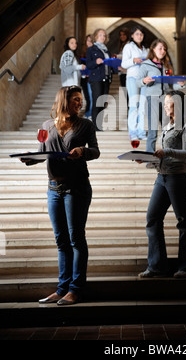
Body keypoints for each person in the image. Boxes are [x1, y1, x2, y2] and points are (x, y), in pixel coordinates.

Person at [20, 86, 100, 304]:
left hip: (76, 188)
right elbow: (40, 153)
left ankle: (75, 289)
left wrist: (83, 152)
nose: (79, 103)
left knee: (75, 238)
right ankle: (62, 288)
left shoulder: (85, 124)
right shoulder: (46, 126)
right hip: (53, 190)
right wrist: (29, 158)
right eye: (75, 99)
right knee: (61, 240)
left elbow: (96, 150)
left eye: (80, 99)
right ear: (64, 100)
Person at [138, 90, 186, 278]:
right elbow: (164, 153)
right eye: (164, 103)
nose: (165, 106)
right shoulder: (168, 123)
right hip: (162, 177)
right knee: (153, 218)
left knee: (184, 221)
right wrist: (147, 158)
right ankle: (157, 266)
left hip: (178, 178)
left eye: (169, 103)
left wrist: (166, 151)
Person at [136, 39, 185, 153]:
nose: (163, 51)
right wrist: (144, 80)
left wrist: (180, 84)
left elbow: (171, 85)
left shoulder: (166, 66)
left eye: (165, 49)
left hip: (167, 100)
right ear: (153, 49)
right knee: (152, 130)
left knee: (167, 129)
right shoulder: (146, 65)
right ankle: (150, 158)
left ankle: (168, 154)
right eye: (160, 48)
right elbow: (137, 82)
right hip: (152, 99)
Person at [121, 26, 149, 140]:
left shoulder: (145, 49)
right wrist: (133, 60)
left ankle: (141, 132)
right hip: (132, 78)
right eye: (137, 34)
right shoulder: (128, 46)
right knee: (134, 105)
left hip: (144, 79)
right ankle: (133, 132)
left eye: (141, 34)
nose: (139, 36)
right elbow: (123, 64)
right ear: (132, 35)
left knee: (142, 106)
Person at [86, 28, 112, 131]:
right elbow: (88, 65)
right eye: (101, 35)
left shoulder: (106, 50)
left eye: (104, 35)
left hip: (106, 78)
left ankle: (99, 125)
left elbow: (108, 64)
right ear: (96, 36)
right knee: (97, 102)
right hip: (96, 78)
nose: (103, 37)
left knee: (102, 102)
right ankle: (94, 127)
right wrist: (96, 62)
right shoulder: (91, 49)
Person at [80, 34, 93, 119]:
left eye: (91, 41)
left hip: (92, 78)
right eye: (88, 40)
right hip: (84, 78)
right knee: (87, 97)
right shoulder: (83, 53)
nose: (89, 42)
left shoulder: (95, 52)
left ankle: (89, 113)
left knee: (91, 97)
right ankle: (88, 113)